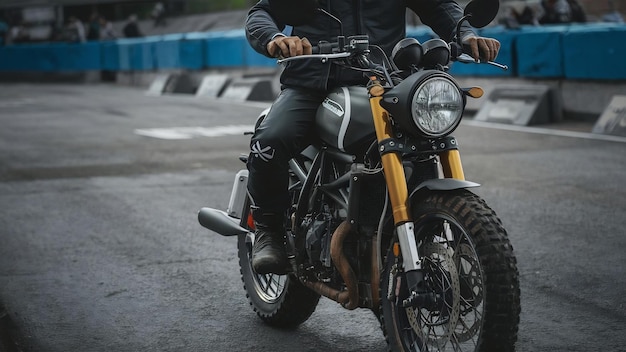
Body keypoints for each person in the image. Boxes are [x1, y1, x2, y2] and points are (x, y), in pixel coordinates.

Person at [244, 0, 501, 275]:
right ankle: (268, 231)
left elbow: (438, 6)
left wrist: (467, 34)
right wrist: (276, 38)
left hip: (387, 80)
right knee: (270, 141)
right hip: (312, 81)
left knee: (423, 141)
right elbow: (263, 12)